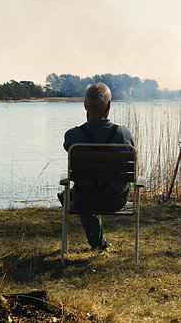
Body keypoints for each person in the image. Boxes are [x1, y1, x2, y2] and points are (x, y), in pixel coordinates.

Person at [62, 82, 135, 250]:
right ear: (109, 105)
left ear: (85, 105)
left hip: (85, 199)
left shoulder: (73, 135)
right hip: (116, 199)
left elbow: (67, 147)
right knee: (94, 190)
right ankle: (99, 244)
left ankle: (98, 244)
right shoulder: (123, 133)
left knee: (84, 193)